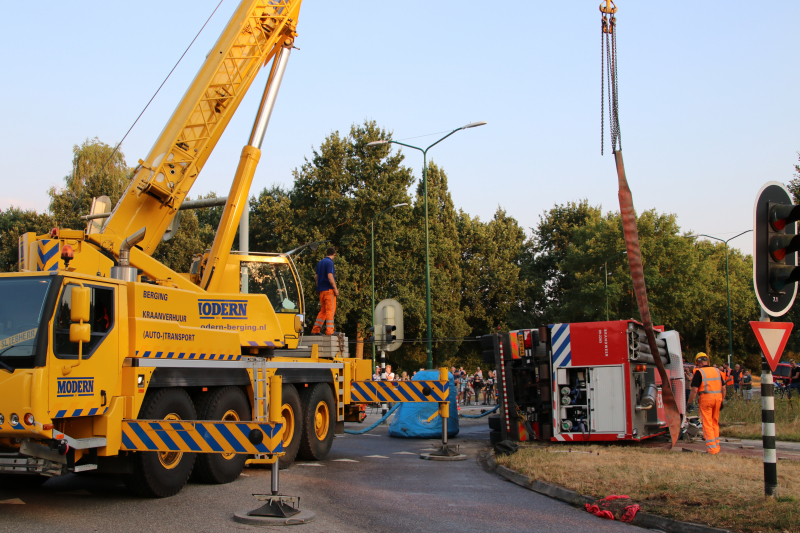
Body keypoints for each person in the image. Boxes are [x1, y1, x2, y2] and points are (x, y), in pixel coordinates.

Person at [687, 352, 726, 455]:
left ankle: (711, 449)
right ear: (707, 361)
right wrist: (722, 400)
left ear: (699, 362)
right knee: (715, 423)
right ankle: (716, 446)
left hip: (706, 399)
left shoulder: (699, 372)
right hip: (718, 399)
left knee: (707, 424)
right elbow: (723, 388)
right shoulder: (717, 371)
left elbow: (694, 390)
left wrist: (689, 403)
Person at [311, 247, 339, 335]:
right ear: (334, 254)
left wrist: (319, 287)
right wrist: (335, 289)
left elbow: (316, 277)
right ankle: (330, 331)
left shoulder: (320, 263)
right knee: (330, 310)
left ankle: (315, 330)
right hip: (328, 290)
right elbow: (330, 276)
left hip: (321, 291)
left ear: (326, 253)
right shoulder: (330, 263)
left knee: (323, 310)